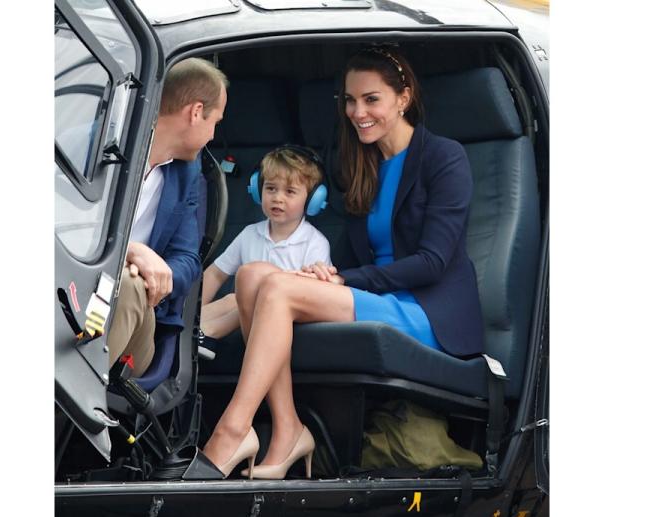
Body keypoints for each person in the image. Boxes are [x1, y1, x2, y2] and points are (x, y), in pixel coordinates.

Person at [183, 46, 484, 480]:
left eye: (371, 99)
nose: (357, 111)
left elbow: (432, 262)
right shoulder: (362, 164)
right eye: (349, 100)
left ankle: (231, 431)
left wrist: (344, 278)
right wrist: (326, 272)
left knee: (277, 287)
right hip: (372, 295)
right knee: (252, 275)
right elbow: (352, 253)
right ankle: (287, 430)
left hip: (425, 310)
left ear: (403, 97)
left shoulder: (444, 157)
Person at [106, 57, 228, 377]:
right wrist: (131, 251)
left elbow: (188, 259)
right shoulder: (100, 145)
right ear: (196, 112)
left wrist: (157, 274)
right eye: (215, 121)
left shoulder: (187, 174)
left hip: (138, 315)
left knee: (130, 285)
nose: (213, 135)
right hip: (73, 289)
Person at [199, 146, 332, 348]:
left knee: (244, 298)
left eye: (290, 191)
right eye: (270, 188)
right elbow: (216, 274)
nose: (277, 198)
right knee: (231, 299)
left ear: (313, 200)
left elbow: (318, 296)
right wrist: (195, 308)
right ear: (257, 190)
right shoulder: (249, 234)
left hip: (288, 320)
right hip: (248, 317)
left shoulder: (315, 243)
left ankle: (207, 333)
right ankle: (186, 329)